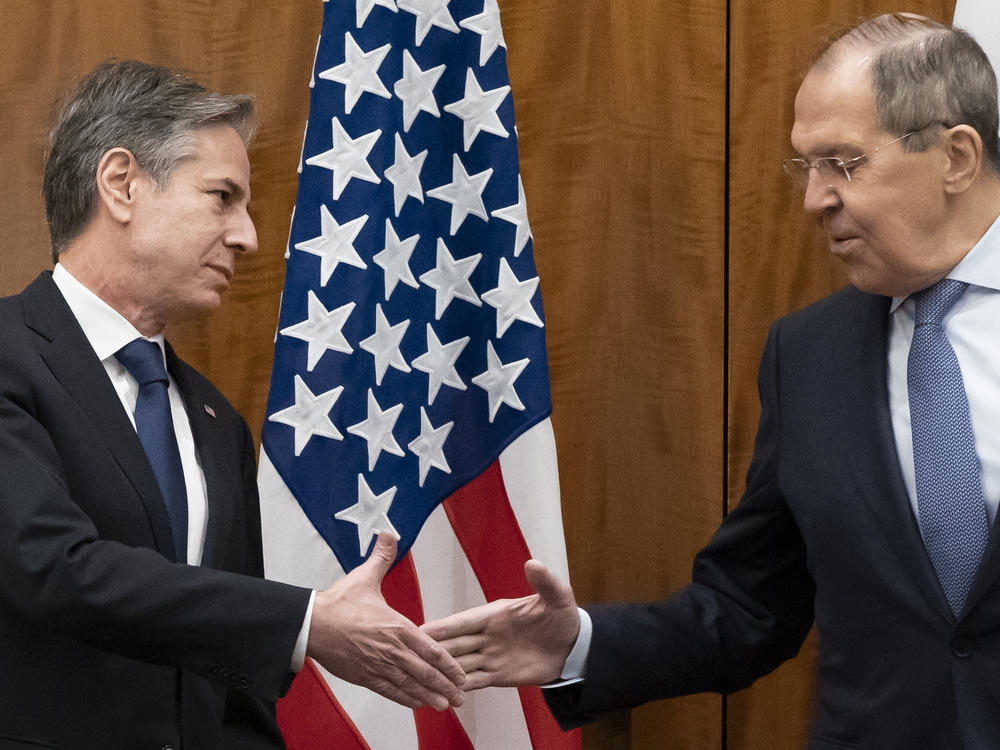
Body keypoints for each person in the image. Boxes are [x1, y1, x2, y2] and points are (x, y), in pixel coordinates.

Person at [423, 13, 1000, 749]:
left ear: (955, 156)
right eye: (806, 167)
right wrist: (579, 645)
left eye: (843, 164)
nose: (814, 200)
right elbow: (750, 608)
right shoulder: (809, 356)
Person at [0, 59, 464, 750]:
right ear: (122, 184)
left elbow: (228, 681)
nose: (247, 237)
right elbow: (53, 567)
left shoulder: (217, 422)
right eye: (223, 198)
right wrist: (306, 622)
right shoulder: (10, 354)